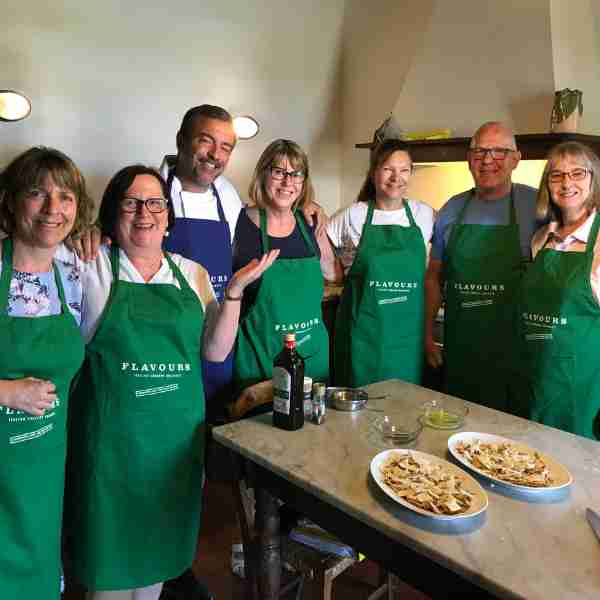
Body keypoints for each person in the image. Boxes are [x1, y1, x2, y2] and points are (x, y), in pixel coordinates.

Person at [63, 166, 277, 600]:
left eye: (155, 202)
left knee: (157, 567)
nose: (145, 212)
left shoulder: (191, 273)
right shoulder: (88, 267)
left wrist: (233, 293)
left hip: (176, 446)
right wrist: (72, 235)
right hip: (112, 453)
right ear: (112, 213)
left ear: (168, 214)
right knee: (109, 576)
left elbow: (215, 351)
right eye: (131, 202)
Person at [0, 147, 93, 599]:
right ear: (13, 201)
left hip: (43, 468)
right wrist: (7, 391)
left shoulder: (75, 273)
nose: (53, 209)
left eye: (66, 196)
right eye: (37, 193)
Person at [424, 121, 540, 410]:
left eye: (499, 152)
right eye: (479, 152)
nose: (487, 160)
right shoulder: (452, 208)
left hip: (516, 356)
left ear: (516, 159)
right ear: (468, 159)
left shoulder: (539, 206)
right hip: (462, 353)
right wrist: (427, 335)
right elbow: (434, 278)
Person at [231, 139, 340, 410]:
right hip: (261, 363)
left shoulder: (309, 222)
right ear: (263, 174)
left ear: (304, 181)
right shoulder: (239, 223)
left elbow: (332, 274)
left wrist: (322, 229)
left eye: (296, 174)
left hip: (312, 361)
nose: (287, 181)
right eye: (278, 171)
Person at [327, 139, 435, 386]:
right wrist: (336, 272)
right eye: (388, 169)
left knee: (406, 408)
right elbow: (318, 245)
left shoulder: (424, 214)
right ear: (374, 173)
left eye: (404, 169)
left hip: (408, 341)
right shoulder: (353, 215)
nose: (396, 177)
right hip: (363, 338)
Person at [514, 142, 600, 438]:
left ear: (594, 179)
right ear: (547, 185)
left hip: (581, 392)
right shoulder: (541, 239)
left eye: (578, 173)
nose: (567, 182)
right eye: (557, 175)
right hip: (535, 379)